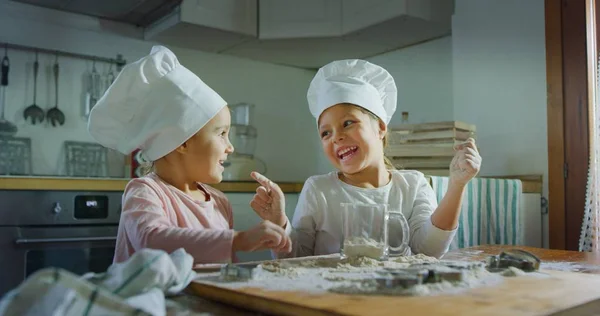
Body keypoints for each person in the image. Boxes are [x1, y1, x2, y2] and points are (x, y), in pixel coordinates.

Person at [251, 59, 481, 259]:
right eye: (325, 133)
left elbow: (429, 252)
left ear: (380, 127)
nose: (337, 137)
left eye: (348, 123)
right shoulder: (319, 189)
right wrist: (279, 222)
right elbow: (294, 258)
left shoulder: (413, 185)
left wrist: (457, 185)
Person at [87, 45, 291, 264]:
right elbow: (151, 239)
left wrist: (278, 226)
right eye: (221, 134)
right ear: (182, 141)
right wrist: (237, 240)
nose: (230, 147)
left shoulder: (219, 202)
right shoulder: (145, 192)